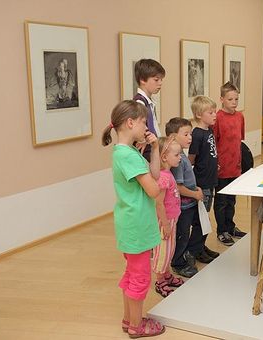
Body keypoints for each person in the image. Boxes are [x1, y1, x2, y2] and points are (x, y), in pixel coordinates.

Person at [101, 100, 165, 337]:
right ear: (130, 123)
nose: (146, 127)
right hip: (136, 225)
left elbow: (155, 173)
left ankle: (129, 320)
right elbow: (153, 189)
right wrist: (162, 186)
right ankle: (137, 327)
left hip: (131, 224)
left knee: (131, 274)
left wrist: (155, 149)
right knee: (140, 278)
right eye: (143, 122)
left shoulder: (126, 153)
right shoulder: (127, 156)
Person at [166, 118, 206, 278]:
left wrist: (195, 188)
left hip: (189, 203)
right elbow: (178, 187)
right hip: (183, 206)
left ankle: (184, 256)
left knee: (186, 233)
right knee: (182, 235)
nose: (190, 137)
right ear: (172, 137)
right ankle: (178, 263)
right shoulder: (178, 159)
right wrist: (195, 194)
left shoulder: (182, 155)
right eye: (186, 134)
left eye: (190, 133)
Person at [213, 82, 247, 246]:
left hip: (235, 167)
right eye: (230, 99)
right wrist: (215, 164)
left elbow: (239, 142)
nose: (234, 102)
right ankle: (222, 231)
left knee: (232, 200)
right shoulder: (217, 118)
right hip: (221, 168)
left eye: (236, 99)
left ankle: (231, 227)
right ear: (222, 99)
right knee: (221, 201)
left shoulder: (240, 117)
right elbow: (213, 143)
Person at [188, 96, 220, 260]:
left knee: (205, 217)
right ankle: (194, 250)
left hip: (211, 180)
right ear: (199, 114)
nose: (215, 115)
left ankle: (200, 246)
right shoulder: (197, 134)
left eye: (214, 111)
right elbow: (191, 159)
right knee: (201, 218)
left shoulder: (209, 131)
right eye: (211, 112)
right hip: (202, 183)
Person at [152, 136, 185, 298]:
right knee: (163, 251)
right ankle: (159, 280)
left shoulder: (168, 174)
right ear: (164, 157)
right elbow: (159, 203)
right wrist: (165, 224)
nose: (180, 157)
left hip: (172, 219)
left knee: (170, 249)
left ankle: (166, 275)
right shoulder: (164, 177)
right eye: (177, 155)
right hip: (165, 221)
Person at [134, 59, 165, 161]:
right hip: (147, 152)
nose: (160, 83)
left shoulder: (149, 101)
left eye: (161, 79)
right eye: (156, 80)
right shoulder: (139, 102)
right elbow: (139, 127)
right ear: (143, 80)